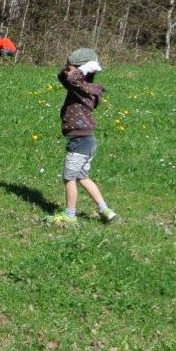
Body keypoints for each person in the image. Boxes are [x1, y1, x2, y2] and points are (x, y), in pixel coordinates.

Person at [47, 47, 118, 224]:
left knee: (69, 178)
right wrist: (70, 67)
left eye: (70, 69)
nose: (66, 72)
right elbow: (63, 77)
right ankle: (105, 209)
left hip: (80, 142)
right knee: (83, 177)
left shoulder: (84, 89)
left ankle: (70, 215)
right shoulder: (80, 87)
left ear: (82, 71)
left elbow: (72, 79)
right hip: (86, 141)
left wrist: (82, 68)